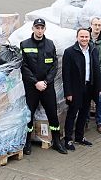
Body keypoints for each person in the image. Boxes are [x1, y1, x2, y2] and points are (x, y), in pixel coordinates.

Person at [21, 18, 67, 155]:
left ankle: (57, 142)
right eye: (37, 28)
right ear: (33, 29)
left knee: (53, 114)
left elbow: (54, 66)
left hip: (47, 87)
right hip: (32, 87)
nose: (39, 30)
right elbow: (24, 67)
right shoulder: (25, 44)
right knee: (29, 115)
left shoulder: (50, 44)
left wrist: (46, 82)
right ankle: (27, 142)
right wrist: (36, 82)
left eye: (42, 28)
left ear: (45, 29)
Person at [62, 28, 101, 149]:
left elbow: (97, 70)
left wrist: (98, 88)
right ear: (77, 37)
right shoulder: (69, 52)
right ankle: (68, 139)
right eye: (82, 37)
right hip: (75, 88)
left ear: (89, 37)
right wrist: (68, 92)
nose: (84, 39)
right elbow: (66, 74)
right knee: (72, 113)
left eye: (86, 37)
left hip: (89, 86)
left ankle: (79, 137)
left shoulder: (93, 50)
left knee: (84, 113)